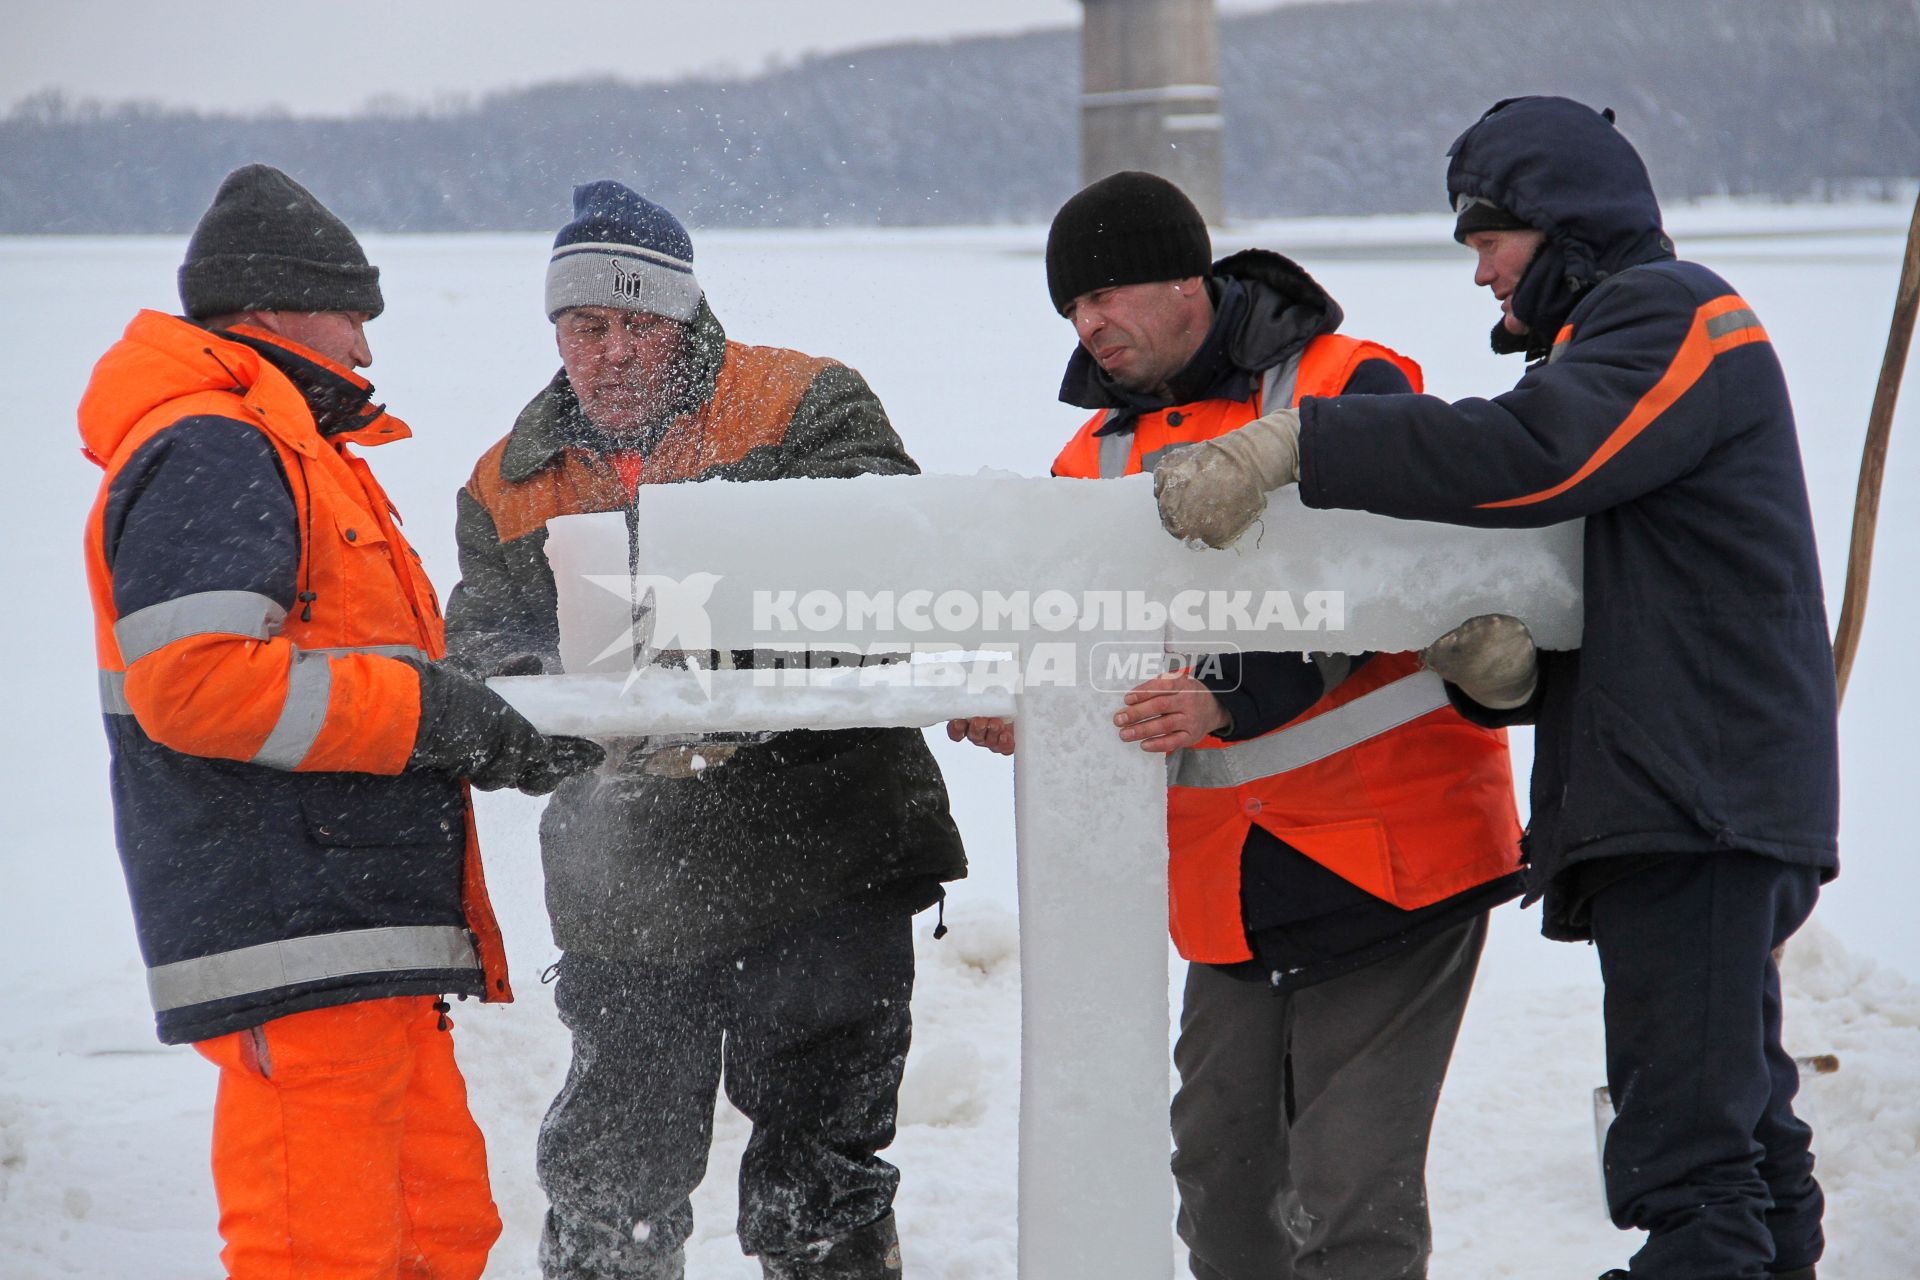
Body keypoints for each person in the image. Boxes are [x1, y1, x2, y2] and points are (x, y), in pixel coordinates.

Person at [1156, 96, 1837, 1280]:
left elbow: (1538, 454)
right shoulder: (1610, 341)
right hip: (1677, 794)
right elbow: (1617, 578)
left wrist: (1300, 445)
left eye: (1490, 239)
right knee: (1745, 1140)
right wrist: (1505, 677)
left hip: (1704, 800)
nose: (1478, 273)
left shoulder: (1678, 316)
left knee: (1688, 1161)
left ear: (1563, 220)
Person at [950, 170, 1524, 1280]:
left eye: (1105, 296)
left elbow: (1396, 573)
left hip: (1392, 862)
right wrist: (1041, 701)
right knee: (1222, 1187)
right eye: (1071, 310)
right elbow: (1083, 631)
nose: (1089, 326)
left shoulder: (1352, 379)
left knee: (1350, 1195)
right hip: (1227, 890)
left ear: (1184, 280)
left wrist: (1231, 688)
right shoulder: (1092, 458)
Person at [78, 164, 602, 1280]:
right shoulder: (215, 447)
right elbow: (201, 682)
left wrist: (497, 709)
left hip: (367, 938)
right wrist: (439, 715)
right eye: (350, 311)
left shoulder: (304, 452)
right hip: (294, 929)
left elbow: (357, 665)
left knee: (438, 1236)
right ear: (270, 308)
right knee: (327, 1251)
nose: (367, 345)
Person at [444, 180, 968, 1280]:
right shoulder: (506, 481)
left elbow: (890, 581)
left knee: (819, 1179)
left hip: (829, 844)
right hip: (630, 879)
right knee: (609, 1178)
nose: (616, 351)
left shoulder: (807, 402)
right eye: (589, 326)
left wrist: (698, 646)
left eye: (641, 323)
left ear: (687, 319)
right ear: (556, 332)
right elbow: (486, 653)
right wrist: (572, 707)